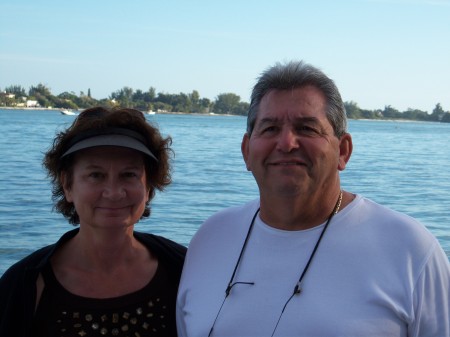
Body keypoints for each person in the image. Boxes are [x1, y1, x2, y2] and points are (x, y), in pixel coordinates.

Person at [176, 61, 450, 337]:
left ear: (343, 151)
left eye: (307, 128)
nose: (286, 143)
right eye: (270, 128)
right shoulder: (210, 239)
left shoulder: (410, 250)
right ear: (247, 150)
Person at [0, 107, 187, 337]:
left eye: (128, 174)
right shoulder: (24, 285)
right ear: (68, 185)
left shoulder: (184, 270)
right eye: (96, 175)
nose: (113, 192)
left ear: (148, 187)